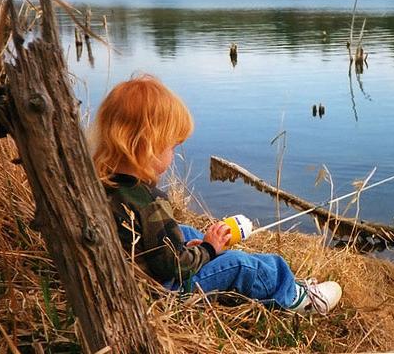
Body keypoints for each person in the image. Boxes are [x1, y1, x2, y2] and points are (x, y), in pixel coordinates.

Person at [90, 74, 341, 314]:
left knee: (184, 232)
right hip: (166, 293)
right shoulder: (150, 203)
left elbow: (151, 250)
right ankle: (297, 299)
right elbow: (172, 267)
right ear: (147, 145)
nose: (173, 154)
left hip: (138, 277)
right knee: (240, 264)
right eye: (171, 147)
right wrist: (208, 250)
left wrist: (193, 247)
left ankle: (217, 255)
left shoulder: (104, 186)